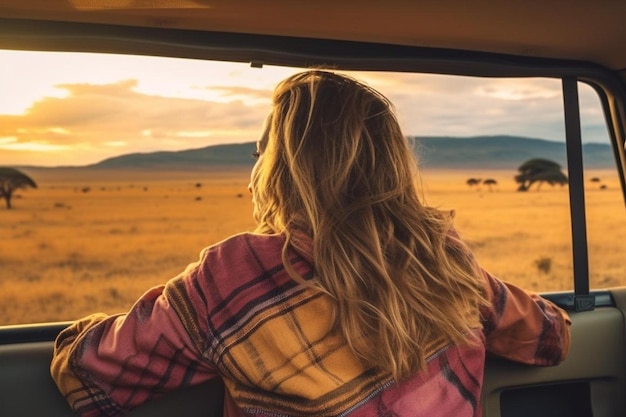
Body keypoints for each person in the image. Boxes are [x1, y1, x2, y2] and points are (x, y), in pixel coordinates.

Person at [51, 70, 570, 417]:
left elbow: (93, 377)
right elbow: (551, 338)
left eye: (264, 147)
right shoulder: (440, 255)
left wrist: (80, 332)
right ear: (390, 162)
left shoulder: (230, 275)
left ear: (280, 163)